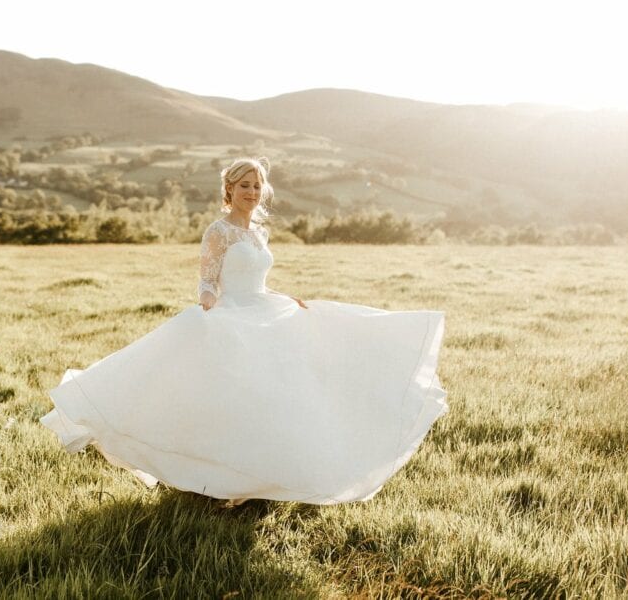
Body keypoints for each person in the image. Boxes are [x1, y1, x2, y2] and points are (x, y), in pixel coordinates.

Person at [39, 156, 447, 508]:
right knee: (235, 396)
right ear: (229, 190)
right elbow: (207, 281)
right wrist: (208, 305)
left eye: (257, 185)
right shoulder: (219, 231)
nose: (252, 191)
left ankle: (261, 478)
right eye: (244, 185)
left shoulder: (259, 232)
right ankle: (222, 479)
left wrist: (289, 298)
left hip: (264, 310)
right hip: (230, 314)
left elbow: (260, 281)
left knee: (282, 390)